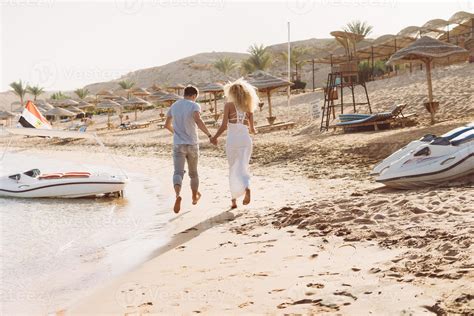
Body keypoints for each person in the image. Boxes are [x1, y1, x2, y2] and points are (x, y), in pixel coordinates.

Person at [164, 85, 214, 213]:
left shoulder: (174, 106)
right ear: (193, 96)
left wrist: (176, 134)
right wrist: (209, 135)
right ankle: (194, 197)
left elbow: (166, 125)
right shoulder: (194, 105)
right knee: (193, 174)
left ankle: (177, 195)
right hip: (192, 144)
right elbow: (198, 120)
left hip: (178, 144)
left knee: (178, 172)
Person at [210, 79, 257, 209]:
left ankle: (234, 201)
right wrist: (252, 128)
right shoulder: (248, 106)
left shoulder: (228, 106)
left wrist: (214, 137)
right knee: (243, 167)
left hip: (233, 140)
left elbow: (224, 125)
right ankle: (247, 187)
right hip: (245, 140)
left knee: (233, 168)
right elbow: (252, 129)